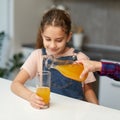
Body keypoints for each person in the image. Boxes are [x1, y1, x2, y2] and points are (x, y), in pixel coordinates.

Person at [11, 8, 98, 109]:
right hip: (48, 111)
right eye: (48, 39)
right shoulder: (37, 56)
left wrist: (97, 109)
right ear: (42, 35)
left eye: (59, 40)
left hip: (75, 112)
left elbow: (88, 90)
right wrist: (30, 97)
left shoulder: (80, 58)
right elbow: (15, 84)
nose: (52, 45)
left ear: (69, 37)